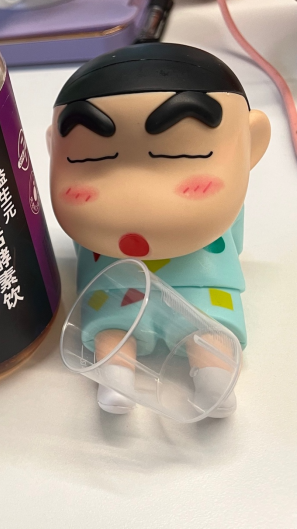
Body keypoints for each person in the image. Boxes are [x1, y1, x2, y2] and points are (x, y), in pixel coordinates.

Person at [48, 43, 270, 417]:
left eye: (183, 155)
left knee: (210, 326)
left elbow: (233, 241)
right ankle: (115, 375)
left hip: (202, 277)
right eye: (90, 158)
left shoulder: (227, 210)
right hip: (114, 279)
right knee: (112, 326)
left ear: (252, 145)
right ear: (54, 151)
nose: (135, 199)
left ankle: (215, 377)